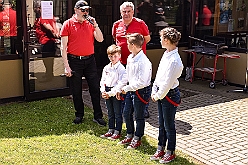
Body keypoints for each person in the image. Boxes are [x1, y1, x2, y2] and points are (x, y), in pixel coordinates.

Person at [60, 0, 106, 126]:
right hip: (74, 60)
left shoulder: (90, 23)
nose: (85, 12)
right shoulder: (68, 24)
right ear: (76, 10)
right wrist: (67, 67)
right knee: (76, 90)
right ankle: (79, 114)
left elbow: (100, 39)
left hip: (90, 60)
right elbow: (63, 47)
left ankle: (98, 116)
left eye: (87, 10)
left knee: (95, 89)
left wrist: (96, 25)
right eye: (83, 10)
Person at [150, 27, 183, 163]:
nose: (160, 40)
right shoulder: (166, 53)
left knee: (169, 125)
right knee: (161, 124)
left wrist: (157, 95)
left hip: (168, 94)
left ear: (167, 40)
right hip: (161, 92)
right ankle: (160, 148)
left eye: (161, 37)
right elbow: (159, 75)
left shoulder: (175, 61)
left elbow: (167, 83)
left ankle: (170, 151)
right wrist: (154, 89)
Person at [112, 1, 151, 118]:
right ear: (120, 12)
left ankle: (143, 109)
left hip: (137, 62)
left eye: (129, 11)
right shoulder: (116, 25)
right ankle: (126, 107)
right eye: (124, 11)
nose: (126, 14)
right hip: (122, 62)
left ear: (133, 12)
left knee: (140, 85)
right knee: (124, 85)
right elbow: (116, 39)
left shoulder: (140, 24)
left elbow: (147, 39)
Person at [117, 33, 152, 149]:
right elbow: (127, 75)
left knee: (139, 116)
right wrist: (120, 87)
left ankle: (137, 138)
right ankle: (129, 134)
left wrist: (126, 88)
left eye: (127, 44)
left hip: (141, 91)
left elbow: (142, 82)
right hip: (131, 89)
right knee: (126, 113)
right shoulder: (130, 57)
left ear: (133, 45)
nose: (126, 46)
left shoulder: (144, 61)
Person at [100, 44, 127, 140]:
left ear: (119, 56)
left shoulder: (121, 69)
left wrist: (111, 93)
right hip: (107, 90)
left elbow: (121, 83)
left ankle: (117, 131)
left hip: (116, 92)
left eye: (115, 56)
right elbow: (103, 81)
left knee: (117, 112)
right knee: (110, 112)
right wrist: (103, 91)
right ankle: (110, 129)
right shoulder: (106, 68)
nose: (112, 58)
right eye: (110, 56)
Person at [33, 1, 59, 82]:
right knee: (50, 60)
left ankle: (49, 77)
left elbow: (49, 27)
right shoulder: (51, 16)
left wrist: (55, 34)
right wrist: (57, 33)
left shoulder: (43, 18)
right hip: (50, 42)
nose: (36, 10)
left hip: (46, 42)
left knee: (47, 60)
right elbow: (55, 25)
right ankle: (49, 74)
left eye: (38, 8)